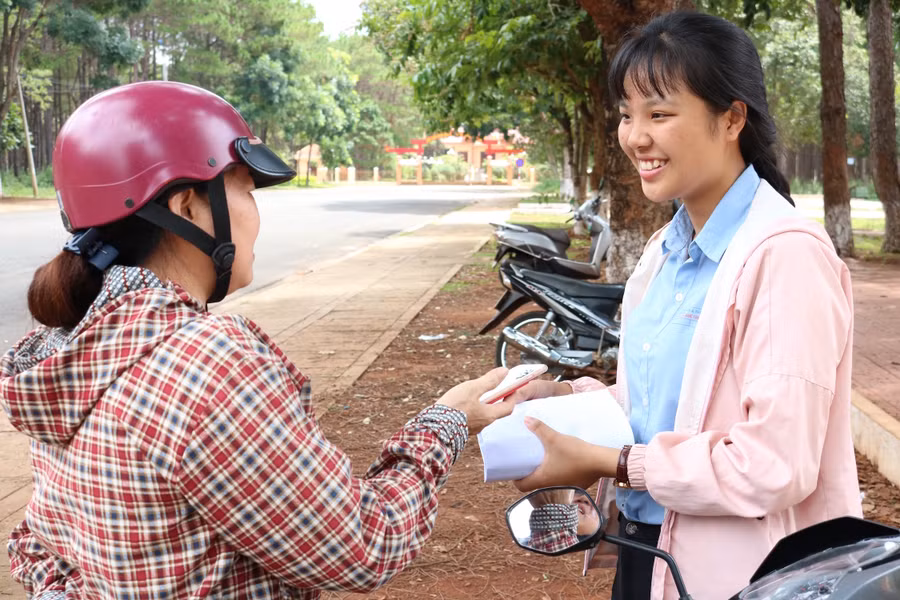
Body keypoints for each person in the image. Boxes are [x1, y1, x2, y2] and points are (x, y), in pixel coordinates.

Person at [0, 81, 516, 599]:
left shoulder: (67, 349)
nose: (255, 212)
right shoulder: (205, 366)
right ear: (186, 207)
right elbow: (361, 545)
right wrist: (448, 419)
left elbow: (36, 545)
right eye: (245, 188)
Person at [509, 11, 861, 600]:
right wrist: (560, 399)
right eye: (626, 114)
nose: (635, 136)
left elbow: (773, 464)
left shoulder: (784, 257)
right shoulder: (664, 251)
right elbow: (651, 406)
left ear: (732, 118)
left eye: (660, 114)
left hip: (742, 577)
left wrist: (611, 461)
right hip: (649, 554)